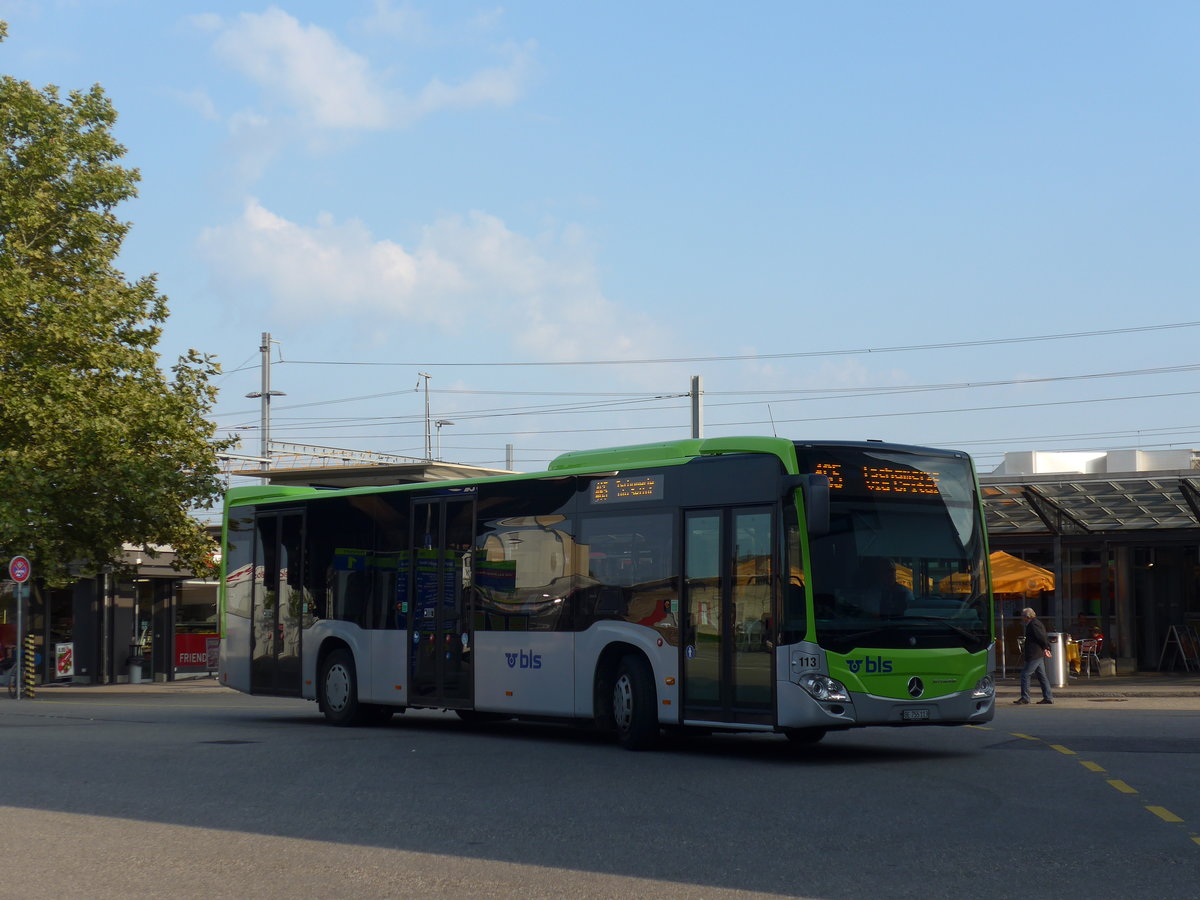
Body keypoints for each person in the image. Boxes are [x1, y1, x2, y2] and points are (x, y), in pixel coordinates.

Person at [1014, 607, 1053, 705]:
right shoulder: (1035, 623)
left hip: (1034, 654)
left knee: (1025, 674)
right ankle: (1048, 697)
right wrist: (1045, 648)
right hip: (1037, 654)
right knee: (1042, 676)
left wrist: (1046, 647)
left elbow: (1041, 637)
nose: (1022, 618)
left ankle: (1025, 697)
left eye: (1023, 616)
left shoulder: (1033, 624)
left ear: (1027, 616)